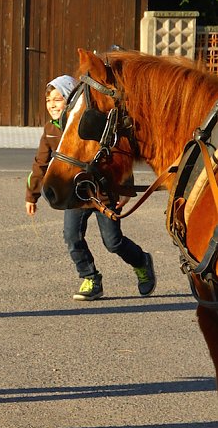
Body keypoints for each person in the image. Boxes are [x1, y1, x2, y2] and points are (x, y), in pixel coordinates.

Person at [26, 75, 156, 301]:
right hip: (75, 194)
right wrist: (32, 195)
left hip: (104, 192)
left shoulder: (89, 124)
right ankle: (90, 278)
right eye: (48, 101)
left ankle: (142, 262)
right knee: (71, 236)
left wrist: (125, 189)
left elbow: (116, 153)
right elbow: (41, 164)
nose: (52, 105)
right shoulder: (50, 130)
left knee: (113, 242)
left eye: (58, 99)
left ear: (71, 99)